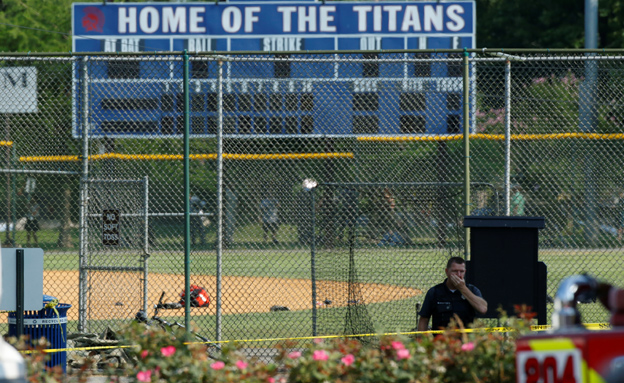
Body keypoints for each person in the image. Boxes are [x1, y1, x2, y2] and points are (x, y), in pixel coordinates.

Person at [417, 257, 488, 331]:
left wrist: (463, 288)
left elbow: (483, 309)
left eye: (462, 271)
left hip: (466, 339)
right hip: (441, 340)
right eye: (455, 271)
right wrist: (422, 340)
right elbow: (424, 319)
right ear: (447, 272)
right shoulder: (434, 292)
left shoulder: (472, 290)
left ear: (465, 272)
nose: (458, 275)